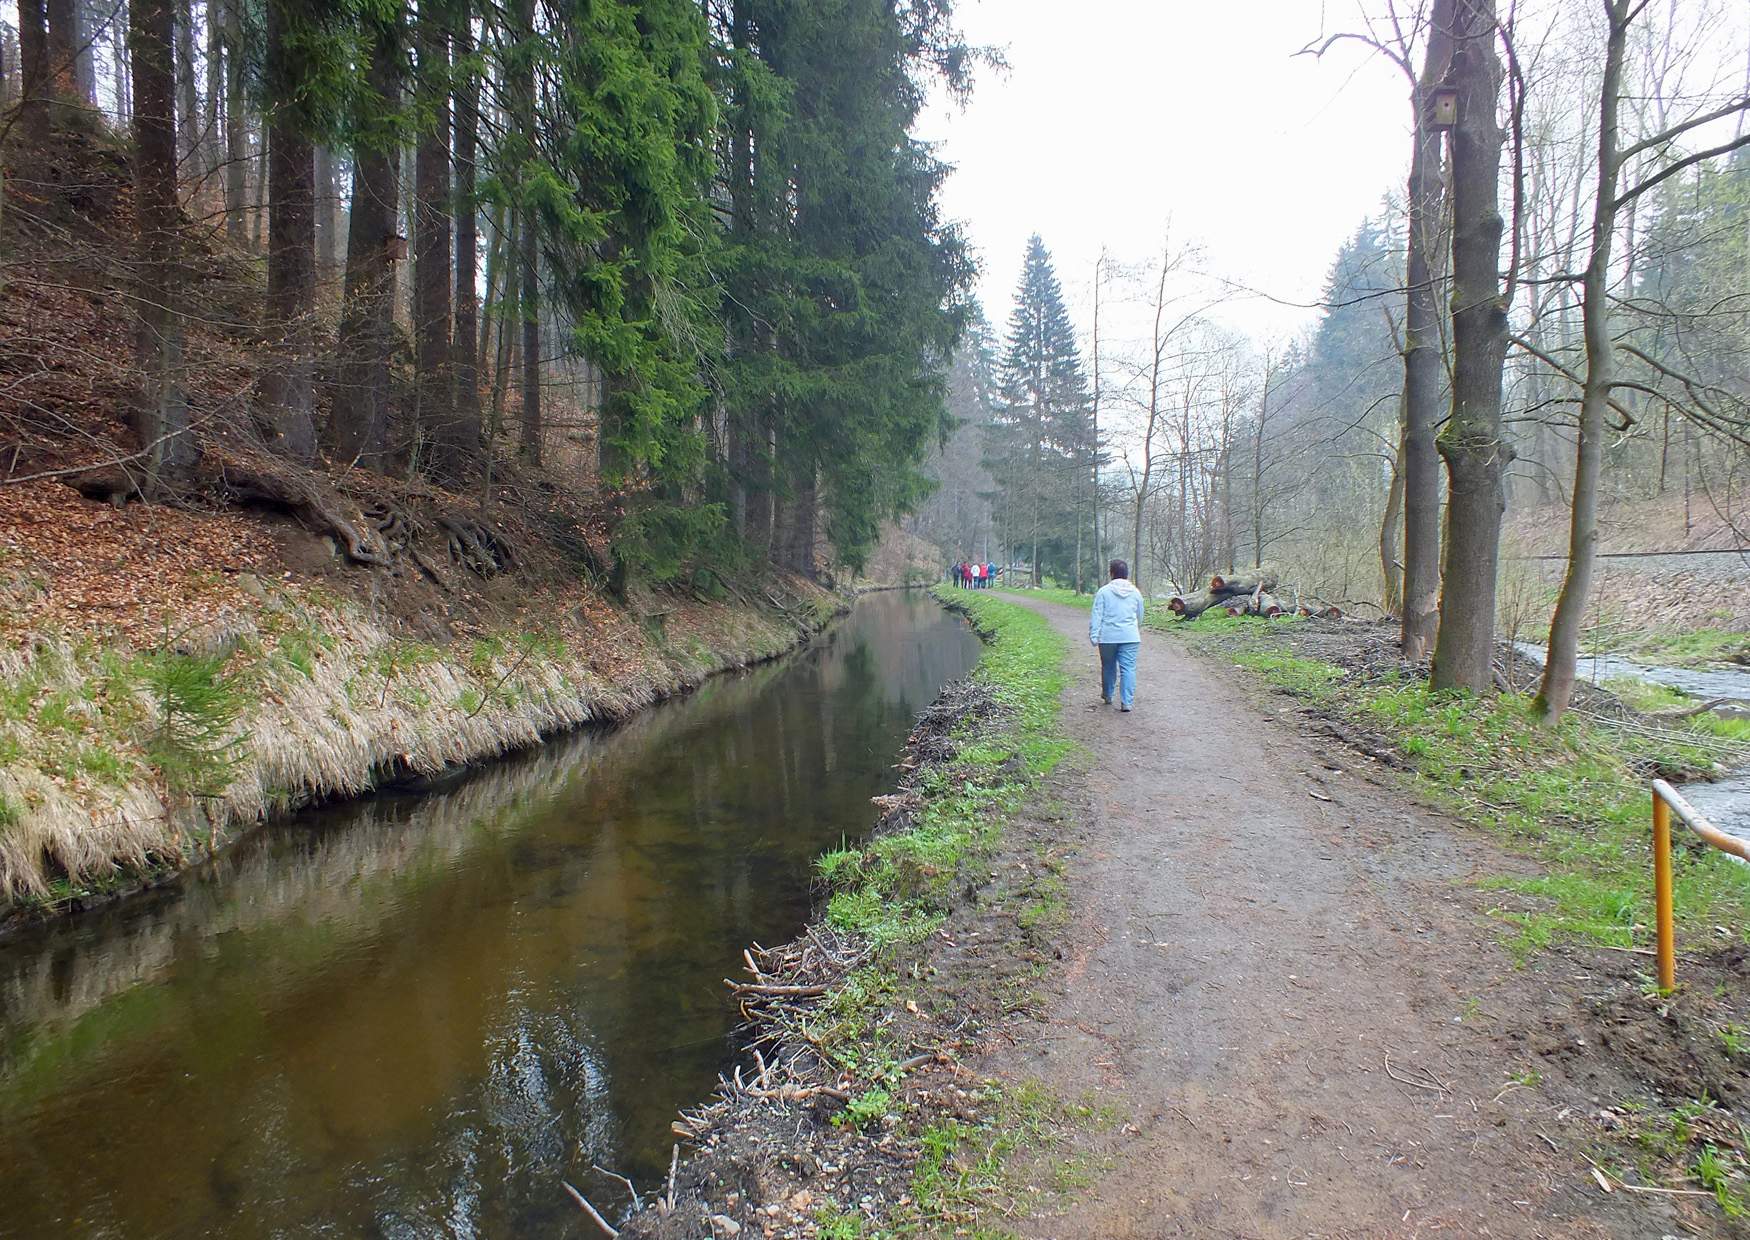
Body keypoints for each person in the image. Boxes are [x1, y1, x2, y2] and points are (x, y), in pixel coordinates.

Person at [1088, 559, 1145, 711]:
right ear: (1127, 574)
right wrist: (1135, 627)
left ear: (1111, 573)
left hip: (1108, 637)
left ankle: (1108, 695)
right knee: (1128, 668)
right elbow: (1140, 614)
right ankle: (1127, 702)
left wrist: (1094, 635)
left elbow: (1097, 614)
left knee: (1108, 666)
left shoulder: (1103, 592)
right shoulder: (1136, 592)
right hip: (1130, 636)